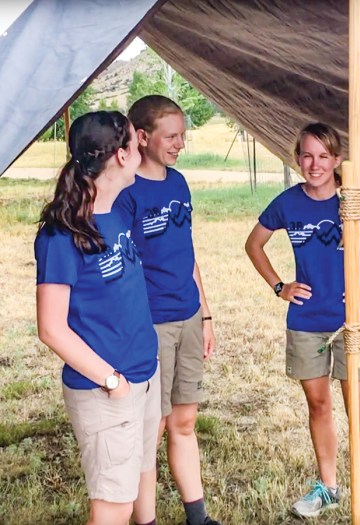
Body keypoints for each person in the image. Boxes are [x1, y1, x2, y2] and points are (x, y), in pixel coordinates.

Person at [245, 122, 360, 524]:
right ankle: (328, 486)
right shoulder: (287, 203)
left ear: (338, 160)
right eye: (306, 155)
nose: (314, 164)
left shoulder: (354, 198)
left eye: (323, 156)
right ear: (297, 157)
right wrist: (280, 285)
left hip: (352, 321)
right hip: (306, 321)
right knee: (319, 406)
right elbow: (254, 243)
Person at [35, 111, 161, 525]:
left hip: (144, 375)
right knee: (112, 508)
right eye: (134, 141)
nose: (143, 146)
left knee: (141, 479)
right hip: (107, 389)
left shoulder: (116, 211)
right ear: (121, 156)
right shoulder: (62, 233)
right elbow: (51, 328)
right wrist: (112, 381)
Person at [115, 95, 219, 525]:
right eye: (171, 136)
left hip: (189, 315)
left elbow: (187, 252)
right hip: (152, 324)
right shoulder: (124, 191)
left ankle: (198, 516)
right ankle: (147, 520)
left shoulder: (179, 183)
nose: (180, 144)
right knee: (150, 429)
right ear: (142, 137)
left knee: (184, 419)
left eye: (183, 136)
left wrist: (206, 314)